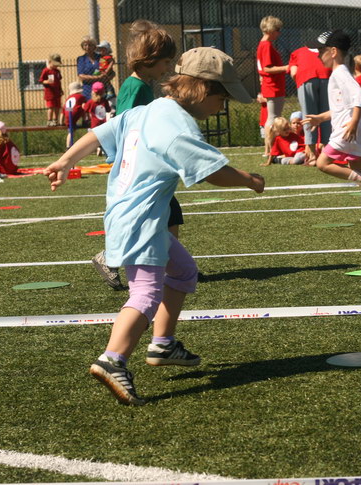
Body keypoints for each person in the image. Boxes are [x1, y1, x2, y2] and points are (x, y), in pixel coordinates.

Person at [43, 47, 265, 406]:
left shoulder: (149, 111)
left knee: (182, 270)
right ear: (203, 89)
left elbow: (101, 133)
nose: (221, 107)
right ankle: (112, 359)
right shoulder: (176, 125)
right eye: (221, 98)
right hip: (142, 220)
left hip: (131, 215)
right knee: (145, 293)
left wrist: (66, 160)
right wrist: (250, 180)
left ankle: (162, 343)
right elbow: (210, 172)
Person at [92, 19, 180, 293]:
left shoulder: (140, 84)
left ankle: (170, 265)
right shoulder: (137, 87)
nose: (168, 68)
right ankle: (109, 257)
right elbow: (128, 123)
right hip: (139, 167)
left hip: (144, 163)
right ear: (150, 60)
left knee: (171, 214)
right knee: (157, 214)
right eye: (166, 62)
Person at [304, 29, 361, 223]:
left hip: (351, 129)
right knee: (355, 169)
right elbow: (341, 107)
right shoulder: (340, 73)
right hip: (359, 128)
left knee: (322, 163)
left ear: (333, 51)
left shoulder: (339, 73)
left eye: (321, 50)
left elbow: (358, 96)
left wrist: (352, 122)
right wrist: (320, 118)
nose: (318, 55)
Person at [288, 41, 331, 164]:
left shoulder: (297, 52)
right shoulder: (328, 50)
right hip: (327, 76)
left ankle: (312, 155)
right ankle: (326, 153)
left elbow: (294, 72)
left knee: (308, 115)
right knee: (327, 115)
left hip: (306, 77)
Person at [257, 16, 288, 158]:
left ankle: (269, 150)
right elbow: (267, 68)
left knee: (272, 118)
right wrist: (287, 67)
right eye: (277, 30)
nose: (279, 33)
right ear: (270, 30)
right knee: (273, 118)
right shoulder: (266, 45)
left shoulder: (263, 44)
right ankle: (269, 150)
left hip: (271, 86)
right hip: (273, 86)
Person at [77, 35, 106, 100]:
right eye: (85, 45)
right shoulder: (81, 59)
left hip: (100, 88)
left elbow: (108, 71)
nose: (87, 47)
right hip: (87, 89)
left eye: (90, 45)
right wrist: (97, 77)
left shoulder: (101, 58)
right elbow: (81, 76)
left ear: (94, 46)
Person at [40, 53, 63, 126]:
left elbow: (59, 81)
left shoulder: (57, 71)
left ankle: (55, 120)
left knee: (57, 107)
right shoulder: (46, 71)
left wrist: (61, 89)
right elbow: (41, 80)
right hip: (50, 93)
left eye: (57, 65)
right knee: (50, 107)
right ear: (50, 62)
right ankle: (49, 120)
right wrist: (46, 81)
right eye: (55, 64)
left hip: (57, 93)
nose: (56, 66)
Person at [64, 82, 87, 146]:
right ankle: (85, 120)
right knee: (83, 107)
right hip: (74, 114)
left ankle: (68, 146)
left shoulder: (68, 98)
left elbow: (65, 108)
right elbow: (84, 106)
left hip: (68, 115)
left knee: (71, 131)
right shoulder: (81, 97)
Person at [95, 40, 117, 109]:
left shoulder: (108, 57)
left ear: (107, 50)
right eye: (100, 49)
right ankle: (104, 93)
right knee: (102, 82)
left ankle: (110, 93)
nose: (101, 51)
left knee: (107, 82)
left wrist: (107, 70)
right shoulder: (100, 57)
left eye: (103, 49)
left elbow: (111, 63)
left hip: (106, 71)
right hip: (101, 71)